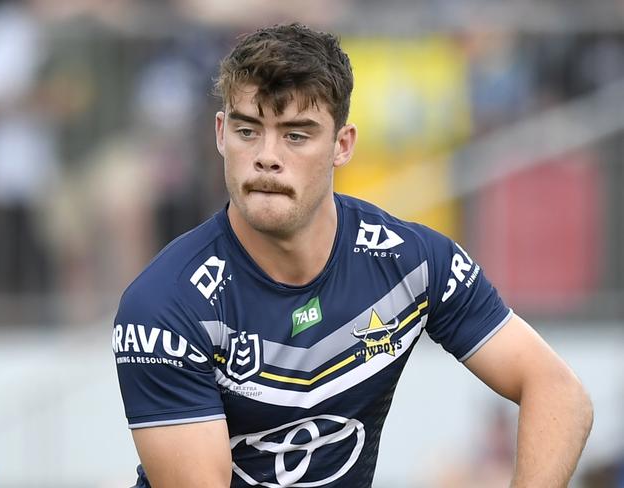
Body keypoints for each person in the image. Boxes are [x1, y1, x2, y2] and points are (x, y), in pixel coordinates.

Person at [112, 23, 593, 488]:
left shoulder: (414, 261)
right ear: (220, 134)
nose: (267, 156)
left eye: (296, 135)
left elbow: (559, 393)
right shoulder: (163, 307)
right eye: (247, 131)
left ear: (342, 146)